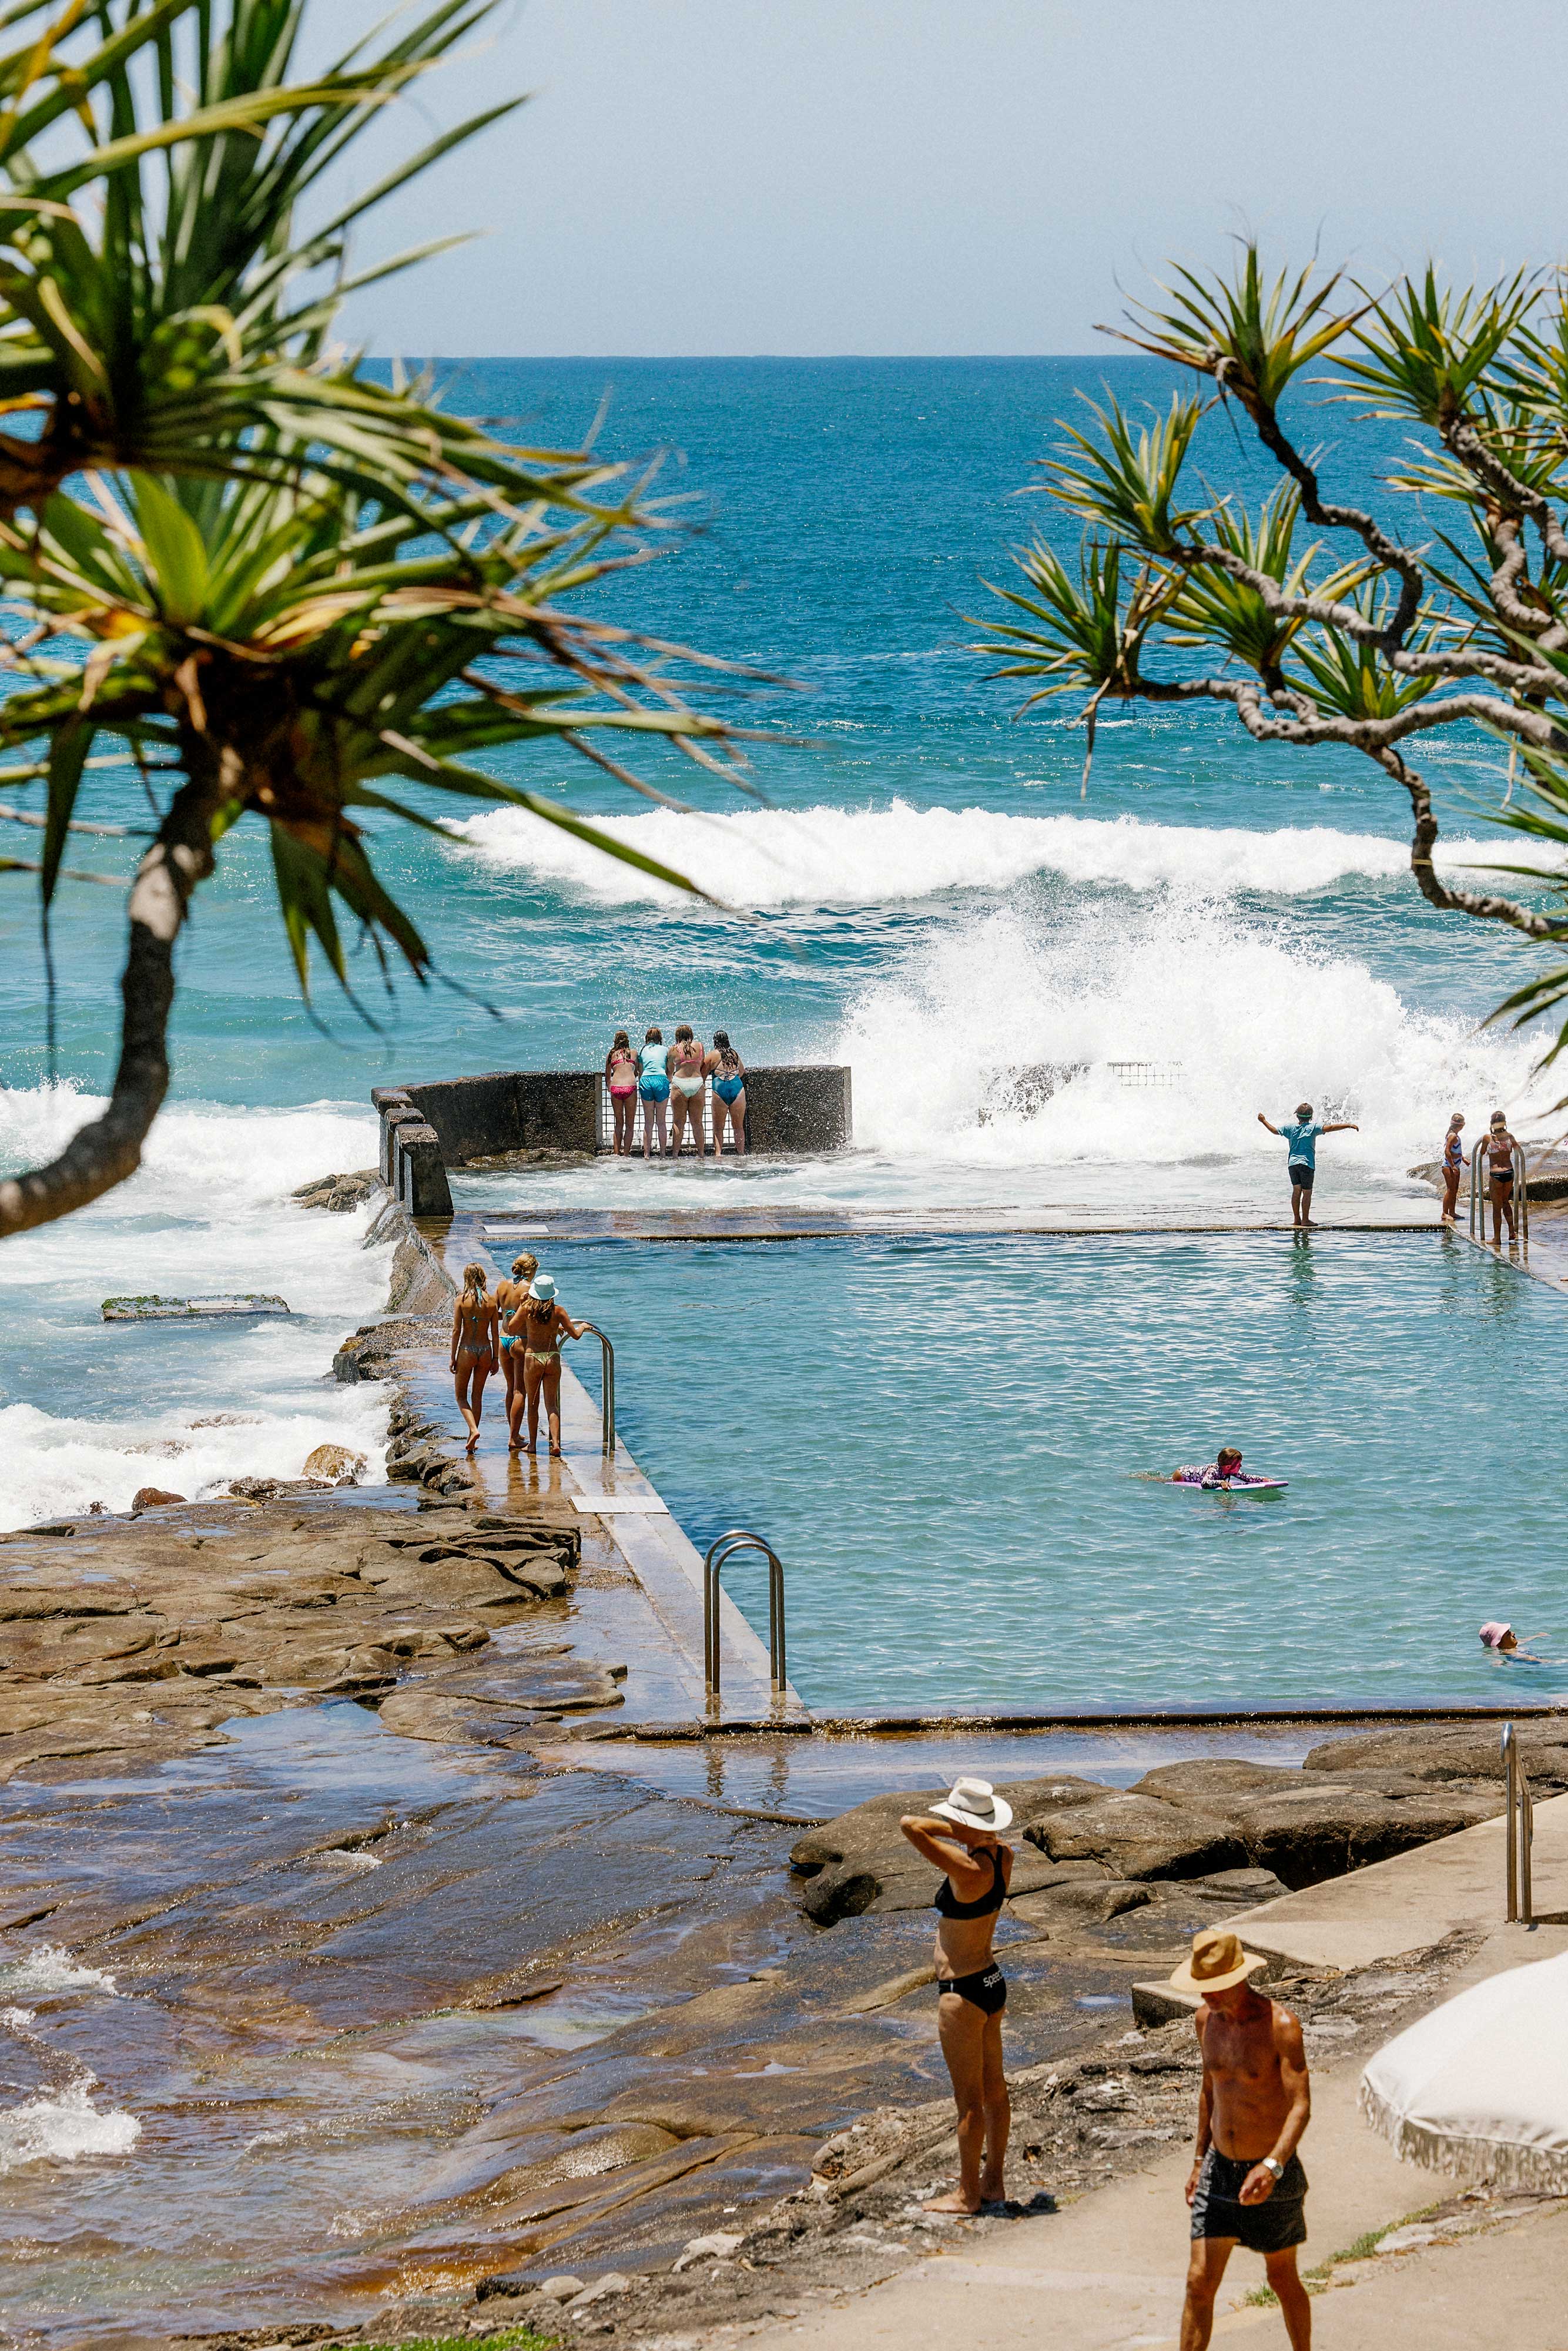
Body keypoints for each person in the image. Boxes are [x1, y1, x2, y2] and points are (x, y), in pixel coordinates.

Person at [1174, 1928, 1312, 2351]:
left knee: (1281, 2278)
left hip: (1272, 2171)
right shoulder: (1205, 2021)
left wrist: (1272, 2166)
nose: (1207, 1998)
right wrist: (1199, 2160)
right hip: (1219, 2169)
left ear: (1239, 1977)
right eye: (1202, 1989)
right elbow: (1208, 2092)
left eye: (1214, 1988)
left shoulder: (1280, 2026)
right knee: (1199, 2282)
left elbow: (1301, 2106)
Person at [899, 1776, 1014, 2215]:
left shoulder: (968, 1871)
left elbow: (911, 1825)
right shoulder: (1003, 1856)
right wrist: (977, 1832)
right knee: (995, 2091)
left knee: (968, 2100)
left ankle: (968, 2195)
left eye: (954, 1817)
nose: (946, 1821)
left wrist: (959, 1829)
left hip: (962, 1993)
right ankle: (994, 2183)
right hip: (990, 1980)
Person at [507, 1272, 586, 1458]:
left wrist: (521, 1305)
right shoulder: (558, 1311)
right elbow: (575, 1335)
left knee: (533, 1405)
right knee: (552, 1405)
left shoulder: (527, 1309)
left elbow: (511, 1327)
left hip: (533, 1357)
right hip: (552, 1356)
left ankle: (533, 1445)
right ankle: (556, 1444)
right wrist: (582, 1327)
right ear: (552, 1294)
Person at [1257, 1102, 1359, 1230]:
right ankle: (1305, 1220)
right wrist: (1348, 1125)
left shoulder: (1290, 1128)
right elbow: (1331, 1127)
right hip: (1307, 1165)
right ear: (1311, 1117)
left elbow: (1275, 1131)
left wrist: (1264, 1121)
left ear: (1297, 1116)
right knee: (1307, 1193)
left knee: (1296, 1191)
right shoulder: (1314, 1128)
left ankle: (1296, 1219)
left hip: (1293, 1164)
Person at [448, 1262, 498, 1456]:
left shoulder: (461, 1301)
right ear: (483, 1277)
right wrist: (496, 1358)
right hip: (485, 1350)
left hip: (467, 1350)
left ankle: (473, 1430)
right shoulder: (492, 1301)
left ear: (466, 1278)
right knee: (477, 1396)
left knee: (461, 1396)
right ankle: (472, 1437)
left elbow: (456, 1331)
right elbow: (495, 1332)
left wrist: (452, 1357)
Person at [494, 1252, 537, 1436]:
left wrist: (508, 1315)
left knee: (510, 1389)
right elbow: (535, 1318)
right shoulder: (529, 1289)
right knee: (521, 1391)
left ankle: (515, 1433)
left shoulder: (502, 1286)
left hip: (503, 1341)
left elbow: (493, 1313)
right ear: (531, 1270)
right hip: (521, 1341)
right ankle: (514, 1437)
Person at [668, 1024, 709, 1156]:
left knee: (679, 1122)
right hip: (697, 1083)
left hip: (680, 1084)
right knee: (697, 1122)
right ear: (691, 1035)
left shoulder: (673, 1049)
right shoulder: (700, 1046)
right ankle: (701, 1154)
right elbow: (702, 1064)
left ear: (677, 1036)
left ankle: (675, 1155)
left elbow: (670, 1070)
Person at [1483, 1111, 1520, 1245]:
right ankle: (1512, 1231)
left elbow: (1482, 1152)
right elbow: (1518, 1150)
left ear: (1492, 1123)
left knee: (1496, 1206)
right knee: (1505, 1201)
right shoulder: (1510, 1136)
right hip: (1509, 1172)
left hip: (1496, 1174)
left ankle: (1497, 1239)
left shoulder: (1487, 1138)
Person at [708, 1029, 747, 1155]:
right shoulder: (734, 1053)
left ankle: (718, 1155)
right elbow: (741, 1072)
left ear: (715, 1041)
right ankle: (741, 1153)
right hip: (737, 1087)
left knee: (718, 1128)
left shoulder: (713, 1055)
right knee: (738, 1127)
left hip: (720, 1088)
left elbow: (702, 1074)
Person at [636, 1026, 671, 1158]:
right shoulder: (665, 1050)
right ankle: (663, 1154)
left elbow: (640, 1071)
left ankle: (647, 1155)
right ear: (660, 1038)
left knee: (648, 1122)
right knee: (661, 1122)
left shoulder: (643, 1050)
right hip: (661, 1080)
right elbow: (668, 1069)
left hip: (646, 1080)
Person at [605, 1030, 639, 1156]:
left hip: (616, 1088)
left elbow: (608, 1077)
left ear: (615, 1040)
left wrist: (611, 1090)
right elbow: (636, 1073)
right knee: (630, 1125)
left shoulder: (611, 1054)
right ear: (627, 1040)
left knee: (619, 1123)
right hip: (630, 1087)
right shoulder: (634, 1053)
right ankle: (626, 1155)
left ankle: (616, 1154)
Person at [1174, 1448, 1245, 1489]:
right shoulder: (1214, 1470)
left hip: (1194, 1470)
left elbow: (1247, 1477)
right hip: (1183, 1474)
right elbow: (1204, 1483)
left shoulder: (1231, 1470)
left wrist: (1257, 1479)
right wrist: (1221, 1482)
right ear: (1228, 1467)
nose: (1240, 1466)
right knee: (1167, 1481)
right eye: (1239, 1464)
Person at [1440, 1111, 1466, 1225]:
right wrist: (1453, 1166)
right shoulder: (1452, 1136)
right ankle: (1444, 1213)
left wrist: (1463, 1159)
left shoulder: (1455, 1135)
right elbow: (1447, 1152)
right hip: (1449, 1167)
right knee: (1450, 1190)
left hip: (1456, 1166)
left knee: (1455, 1190)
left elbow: (1456, 1151)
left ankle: (1453, 1212)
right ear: (1460, 1125)